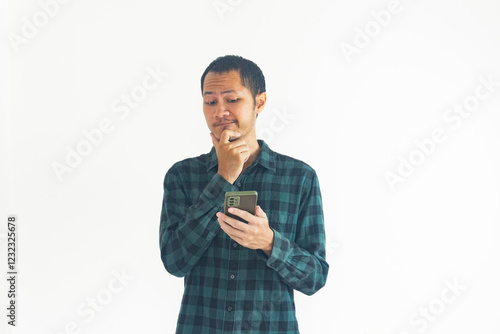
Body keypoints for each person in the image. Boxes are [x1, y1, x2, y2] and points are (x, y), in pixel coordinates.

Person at [159, 55, 329, 333]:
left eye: (232, 100)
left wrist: (270, 242)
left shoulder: (299, 177)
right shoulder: (182, 176)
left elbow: (315, 277)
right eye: (210, 102)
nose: (220, 112)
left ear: (259, 102)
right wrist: (223, 177)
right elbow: (175, 262)